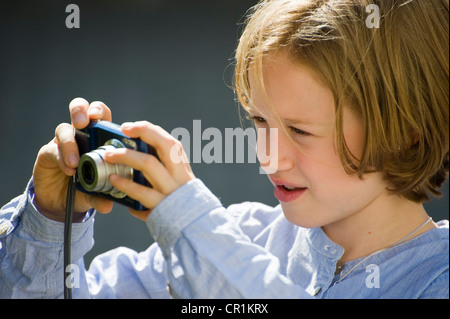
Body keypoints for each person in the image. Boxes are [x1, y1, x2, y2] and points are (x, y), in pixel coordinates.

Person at [0, 0, 448, 299]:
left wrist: (191, 225)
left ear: (404, 129)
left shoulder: (436, 279)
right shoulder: (244, 235)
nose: (269, 157)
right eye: (259, 121)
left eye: (300, 130)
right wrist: (50, 221)